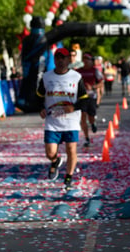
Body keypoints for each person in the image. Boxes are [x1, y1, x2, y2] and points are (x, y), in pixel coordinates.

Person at [35, 48, 88, 190]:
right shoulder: (46, 77)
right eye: (57, 58)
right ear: (54, 60)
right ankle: (56, 160)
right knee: (50, 153)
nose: (60, 60)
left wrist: (73, 107)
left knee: (71, 150)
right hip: (53, 121)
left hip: (71, 121)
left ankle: (68, 178)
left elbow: (84, 99)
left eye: (63, 58)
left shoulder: (76, 77)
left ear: (68, 60)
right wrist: (41, 108)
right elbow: (39, 96)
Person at [76, 53, 104, 147]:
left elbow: (101, 83)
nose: (86, 61)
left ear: (91, 61)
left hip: (92, 97)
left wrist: (93, 86)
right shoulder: (78, 71)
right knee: (83, 117)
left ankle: (93, 123)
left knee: (91, 117)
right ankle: (87, 138)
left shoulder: (95, 71)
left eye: (87, 59)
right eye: (84, 59)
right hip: (82, 97)